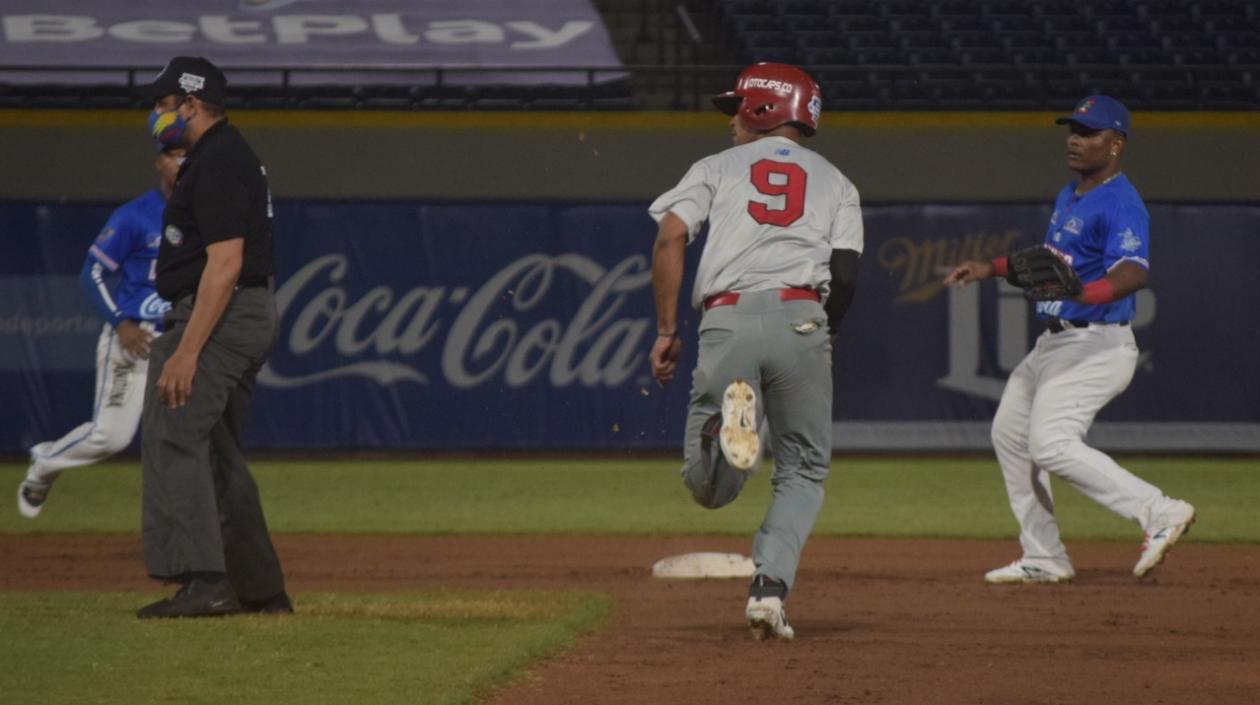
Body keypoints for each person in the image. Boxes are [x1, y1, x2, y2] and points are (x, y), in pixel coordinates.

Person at [648, 63, 863, 640]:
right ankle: (769, 592)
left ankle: (731, 437)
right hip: (803, 317)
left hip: (729, 319)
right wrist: (825, 333)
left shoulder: (715, 167)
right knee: (804, 470)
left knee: (709, 489)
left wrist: (666, 331)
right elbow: (845, 276)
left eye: (736, 109)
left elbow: (670, 236)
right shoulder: (838, 182)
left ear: (763, 110)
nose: (731, 121)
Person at [943, 95, 1195, 584]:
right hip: (1055, 344)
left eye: (1088, 133)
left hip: (1097, 344)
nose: (1074, 140)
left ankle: (1159, 510)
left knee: (1051, 443)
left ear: (1116, 144)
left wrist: (1086, 292)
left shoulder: (1121, 202)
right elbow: (1047, 264)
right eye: (1072, 130)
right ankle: (1044, 556)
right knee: (1010, 436)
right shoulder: (1071, 194)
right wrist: (990, 268)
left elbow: (1133, 272)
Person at [134, 56, 291, 618]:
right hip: (239, 312)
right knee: (217, 452)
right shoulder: (221, 155)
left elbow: (225, 265)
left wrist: (188, 350)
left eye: (164, 103)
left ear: (192, 104)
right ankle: (261, 591)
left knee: (175, 432)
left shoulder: (219, 159)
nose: (157, 114)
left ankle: (207, 581)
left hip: (220, 315)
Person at [17, 143, 185, 518]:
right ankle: (45, 463)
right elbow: (90, 274)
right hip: (137, 337)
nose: (182, 162)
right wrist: (120, 323)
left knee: (186, 438)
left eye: (187, 153)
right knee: (111, 437)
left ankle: (185, 526)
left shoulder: (207, 214)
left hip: (183, 338)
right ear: (159, 162)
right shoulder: (135, 215)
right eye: (174, 154)